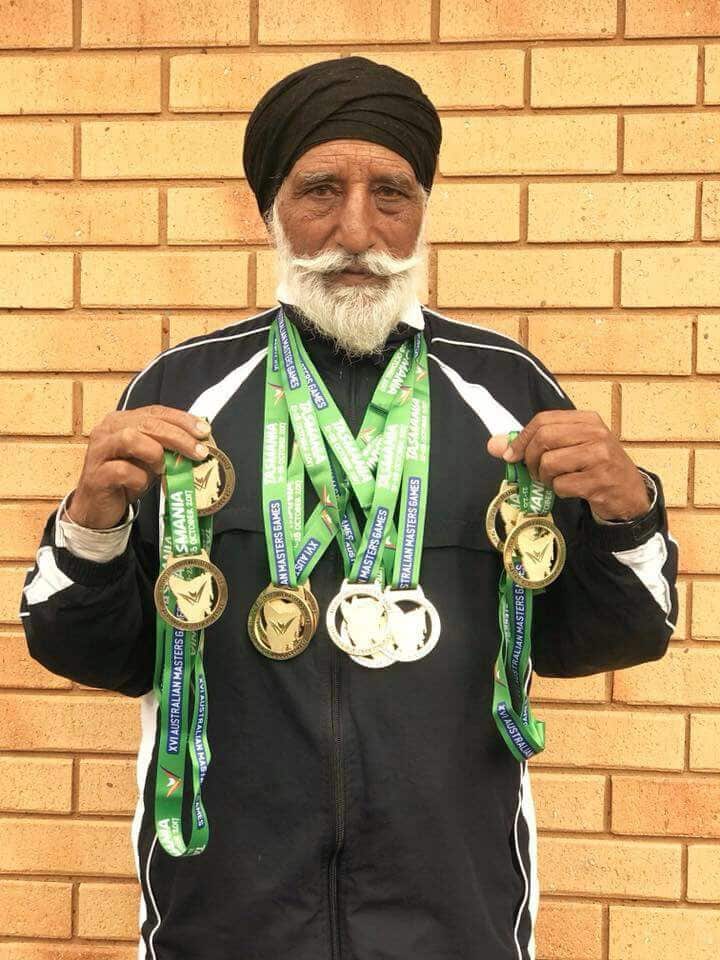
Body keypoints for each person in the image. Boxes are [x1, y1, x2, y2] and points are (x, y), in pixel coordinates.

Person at [19, 56, 678, 960]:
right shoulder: (184, 391)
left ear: (423, 212)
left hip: (454, 914)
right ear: (268, 213)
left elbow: (601, 639)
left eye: (391, 194)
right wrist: (92, 525)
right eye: (320, 190)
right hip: (226, 917)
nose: (357, 231)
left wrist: (626, 514)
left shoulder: (505, 389)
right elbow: (92, 647)